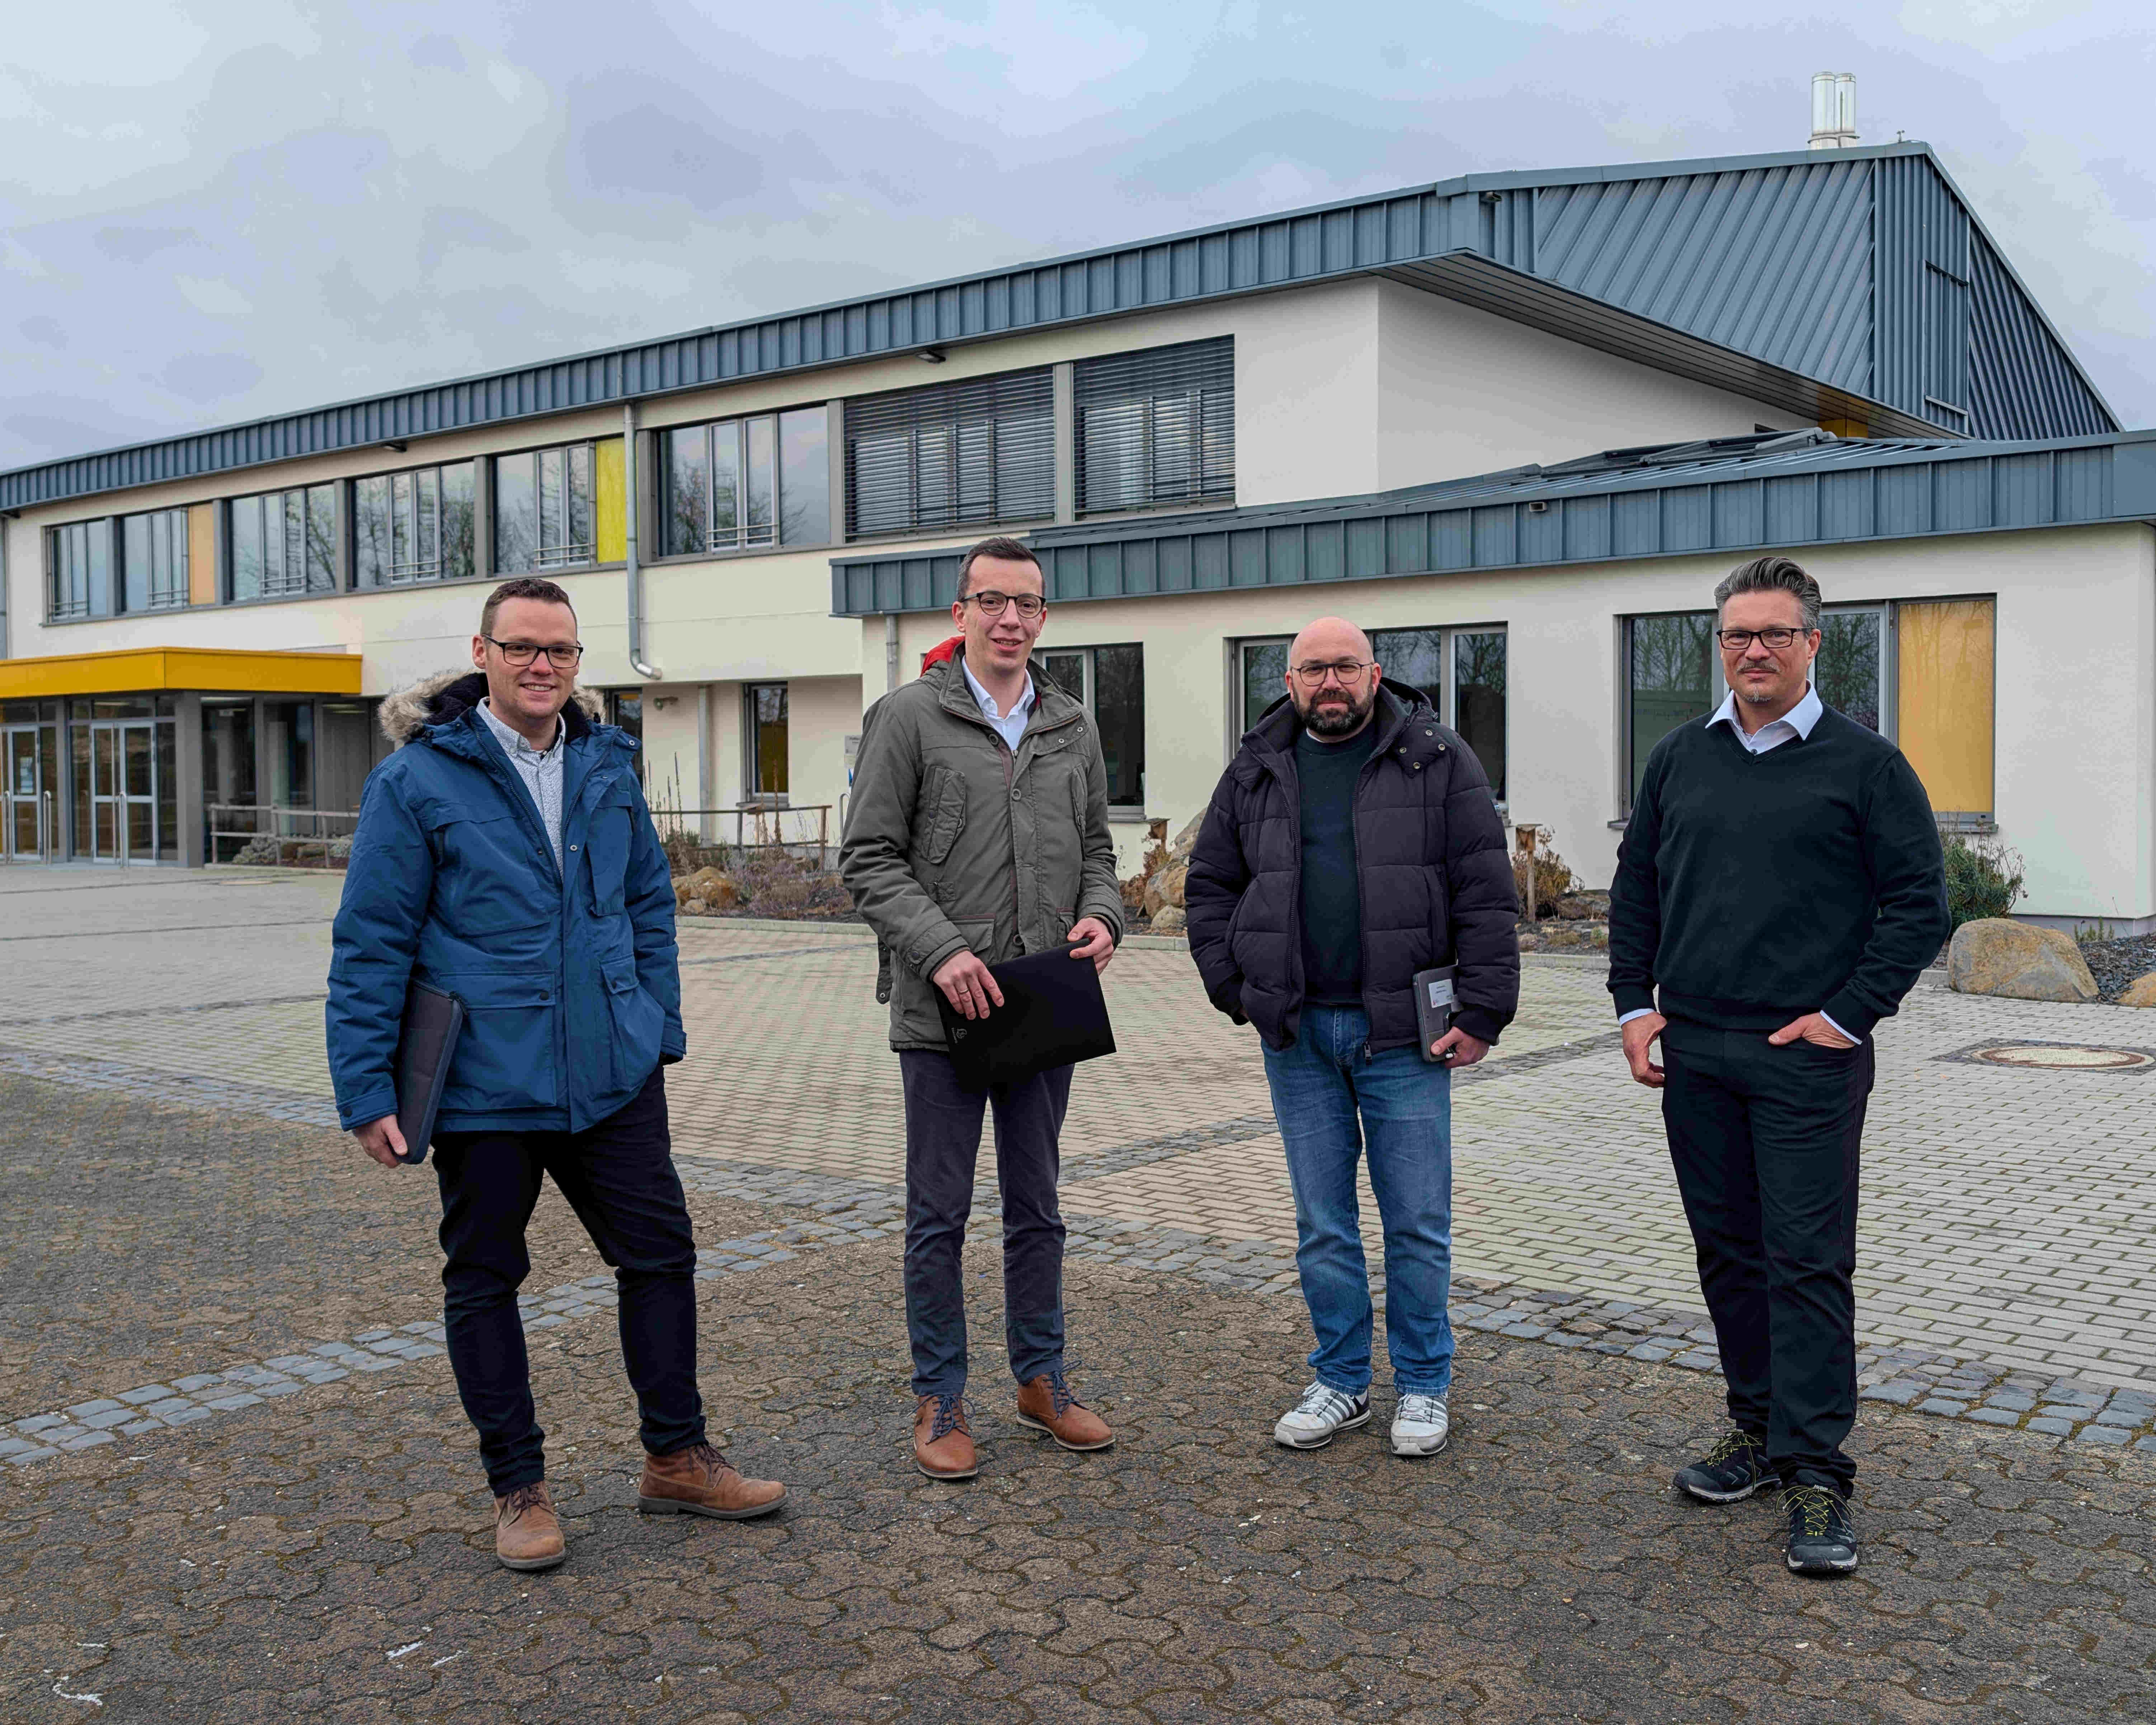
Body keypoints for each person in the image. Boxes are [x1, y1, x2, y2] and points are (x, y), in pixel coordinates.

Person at [325, 576, 785, 1573]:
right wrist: (366, 1089)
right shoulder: (418, 781)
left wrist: (654, 1024)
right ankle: (519, 1488)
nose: (543, 667)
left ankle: (675, 1457)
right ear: (483, 654)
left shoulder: (607, 763)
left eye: (561, 651)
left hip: (612, 1074)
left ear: (578, 662)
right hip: (486, 1084)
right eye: (523, 647)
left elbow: (646, 904)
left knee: (660, 1257)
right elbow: (371, 941)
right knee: (486, 1280)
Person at [1608, 555, 1948, 1578]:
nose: (1753, 650)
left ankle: (1815, 1475)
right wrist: (1633, 1004)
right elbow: (1638, 892)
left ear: (1813, 644)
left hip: (1804, 1058)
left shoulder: (1865, 766)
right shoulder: (1679, 758)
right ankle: (1754, 1432)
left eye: (1774, 633)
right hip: (1697, 1050)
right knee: (1730, 1257)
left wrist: (1847, 1017)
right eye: (1735, 635)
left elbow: (1918, 907)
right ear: (1721, 647)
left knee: (1806, 1264)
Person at [1186, 617, 1519, 1458]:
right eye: (1311, 670)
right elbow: (1210, 886)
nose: (1327, 683)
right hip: (1298, 1034)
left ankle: (1421, 1385)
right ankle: (1340, 1379)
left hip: (1403, 1035)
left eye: (1343, 667)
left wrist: (1482, 1011)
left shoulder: (1436, 759)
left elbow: (1484, 890)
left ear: (1375, 673)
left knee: (1415, 1219)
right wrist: (1236, 987)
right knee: (1323, 1223)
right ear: (1288, 679)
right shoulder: (1257, 767)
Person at [839, 536, 1126, 1481]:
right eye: (991, 601)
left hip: (1044, 1001)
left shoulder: (1071, 724)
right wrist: (942, 949)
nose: (1010, 619)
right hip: (944, 1013)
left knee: (1037, 1208)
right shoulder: (907, 719)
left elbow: (1097, 848)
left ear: (1043, 619)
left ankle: (1041, 1380)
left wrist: (1101, 915)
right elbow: (869, 859)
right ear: (959, 612)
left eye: (1027, 604)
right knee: (939, 1214)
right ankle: (941, 1396)